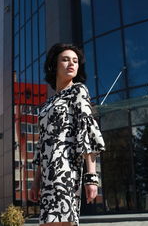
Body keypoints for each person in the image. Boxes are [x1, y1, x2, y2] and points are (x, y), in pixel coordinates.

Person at [29, 43, 105, 226]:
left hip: (66, 169)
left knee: (59, 221)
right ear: (54, 65)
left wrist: (91, 177)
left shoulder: (78, 91)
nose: (71, 63)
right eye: (65, 59)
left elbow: (86, 131)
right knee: (51, 222)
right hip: (47, 175)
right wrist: (36, 180)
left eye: (75, 61)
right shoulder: (47, 105)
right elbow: (42, 145)